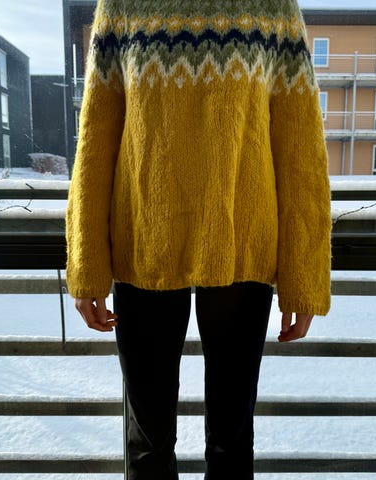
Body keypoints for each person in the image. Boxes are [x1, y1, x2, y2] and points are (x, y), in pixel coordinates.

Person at [66, 0, 332, 478]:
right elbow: (96, 137)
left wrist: (304, 275)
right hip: (143, 242)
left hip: (242, 243)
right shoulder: (121, 6)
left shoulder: (273, 8)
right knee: (148, 446)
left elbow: (300, 144)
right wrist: (87, 265)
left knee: (232, 442)